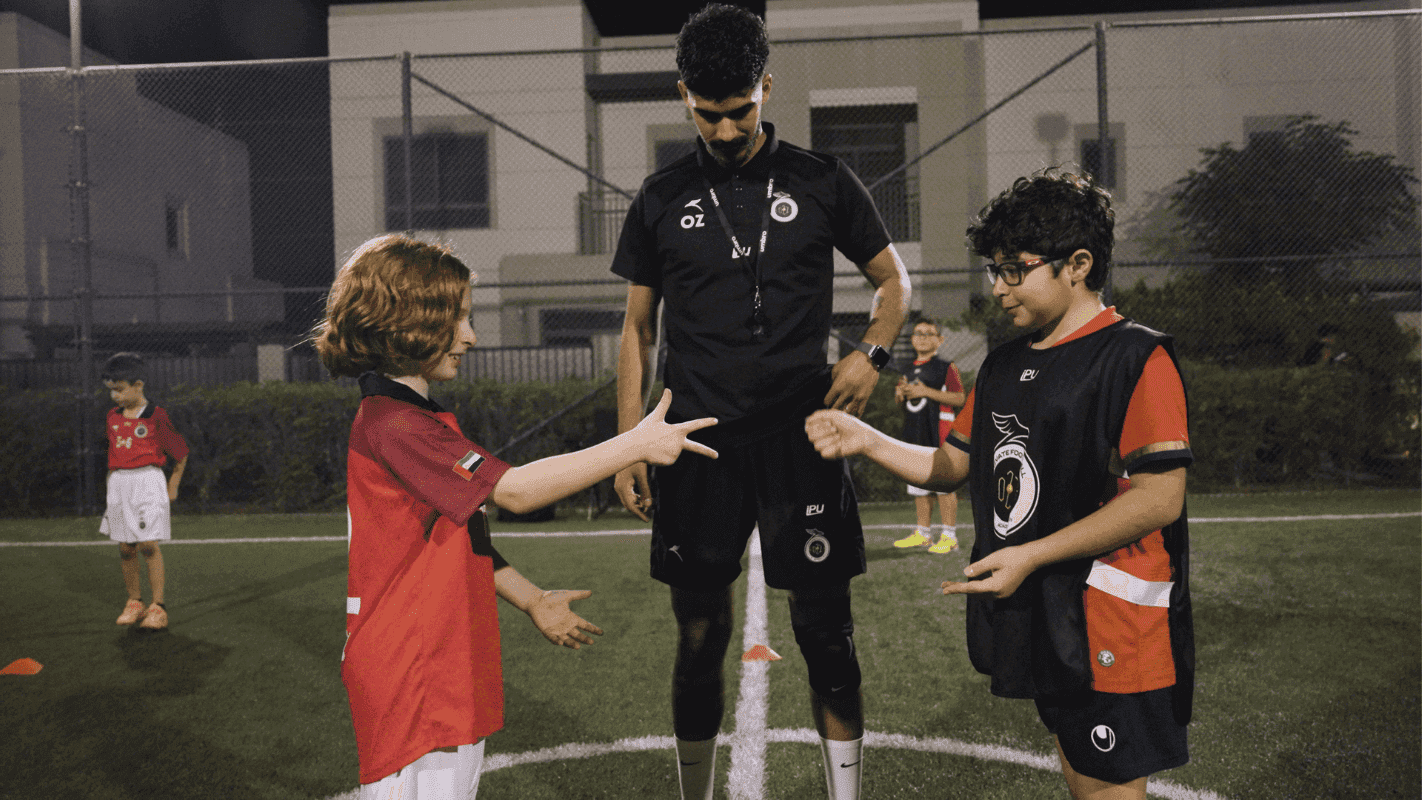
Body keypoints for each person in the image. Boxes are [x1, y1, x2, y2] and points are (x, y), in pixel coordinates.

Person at [806, 168, 1194, 800]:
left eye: (1015, 269)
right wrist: (865, 439)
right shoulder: (1004, 364)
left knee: (1107, 788)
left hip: (1110, 615)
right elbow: (952, 465)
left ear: (1078, 264)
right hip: (1044, 604)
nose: (998, 287)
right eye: (995, 269)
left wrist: (1031, 554)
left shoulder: (1134, 358)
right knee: (1081, 773)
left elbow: (1160, 498)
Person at [610, 6, 910, 799]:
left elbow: (894, 283)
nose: (723, 129)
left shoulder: (821, 179)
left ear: (765, 88)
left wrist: (871, 355)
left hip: (800, 436)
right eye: (707, 113)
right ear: (684, 96)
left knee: (826, 636)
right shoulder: (661, 195)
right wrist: (627, 441)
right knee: (699, 638)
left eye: (739, 110)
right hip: (696, 439)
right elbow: (636, 329)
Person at [312, 233, 718, 799]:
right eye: (457, 319)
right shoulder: (398, 426)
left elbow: (457, 535)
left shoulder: (409, 418)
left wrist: (532, 598)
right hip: (413, 669)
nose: (471, 336)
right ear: (408, 323)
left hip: (433, 659)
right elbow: (518, 492)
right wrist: (633, 444)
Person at [100, 352, 188, 632]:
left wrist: (173, 485)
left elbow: (180, 453)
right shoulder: (112, 417)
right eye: (111, 390)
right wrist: (112, 489)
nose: (114, 396)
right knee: (126, 548)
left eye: (119, 389)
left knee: (148, 545)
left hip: (148, 482)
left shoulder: (156, 416)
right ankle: (134, 602)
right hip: (119, 484)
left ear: (138, 385)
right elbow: (115, 455)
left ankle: (158, 607)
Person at [891, 319, 965, 554]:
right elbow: (903, 401)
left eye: (928, 334)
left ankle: (949, 536)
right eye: (918, 333)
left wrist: (926, 391)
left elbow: (959, 398)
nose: (922, 338)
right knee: (919, 483)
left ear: (939, 340)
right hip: (915, 431)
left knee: (943, 483)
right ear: (912, 339)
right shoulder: (906, 369)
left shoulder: (945, 367)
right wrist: (900, 394)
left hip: (939, 430)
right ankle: (923, 534)